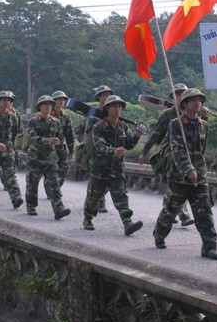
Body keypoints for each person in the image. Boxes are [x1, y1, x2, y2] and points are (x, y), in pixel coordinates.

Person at [152, 89, 217, 259]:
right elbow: (177, 150)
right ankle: (159, 235)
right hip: (179, 176)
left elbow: (200, 150)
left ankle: (209, 247)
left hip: (200, 176)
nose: (198, 103)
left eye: (200, 100)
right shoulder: (175, 124)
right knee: (170, 210)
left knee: (204, 212)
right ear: (185, 104)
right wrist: (188, 169)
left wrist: (197, 169)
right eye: (193, 100)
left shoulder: (204, 125)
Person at [83, 95, 144, 235]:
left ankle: (127, 223)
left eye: (120, 106)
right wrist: (113, 151)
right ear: (108, 108)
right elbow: (99, 145)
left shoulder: (123, 126)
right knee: (94, 197)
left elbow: (128, 144)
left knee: (121, 196)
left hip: (116, 169)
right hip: (100, 170)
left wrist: (137, 136)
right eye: (114, 106)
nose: (118, 109)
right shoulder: (99, 126)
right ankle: (87, 218)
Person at [138, 83, 195, 227]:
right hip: (170, 154)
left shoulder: (194, 114)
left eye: (183, 93)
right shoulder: (168, 115)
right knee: (178, 183)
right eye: (177, 94)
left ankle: (168, 211)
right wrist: (144, 152)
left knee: (176, 187)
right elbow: (155, 135)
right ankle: (184, 215)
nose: (181, 96)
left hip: (187, 155)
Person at [25, 95, 71, 219]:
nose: (48, 107)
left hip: (51, 159)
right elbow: (31, 138)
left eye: (50, 105)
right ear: (40, 106)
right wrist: (47, 141)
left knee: (54, 184)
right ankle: (31, 205)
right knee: (32, 184)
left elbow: (60, 141)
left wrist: (63, 157)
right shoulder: (33, 122)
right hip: (35, 159)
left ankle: (58, 208)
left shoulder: (56, 122)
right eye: (45, 104)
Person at [0, 91, 25, 209]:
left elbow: (16, 132)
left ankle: (16, 197)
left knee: (10, 174)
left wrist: (13, 146)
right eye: (4, 100)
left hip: (8, 151)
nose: (7, 102)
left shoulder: (13, 117)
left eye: (9, 100)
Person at [79, 84, 114, 213]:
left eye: (109, 95)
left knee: (109, 180)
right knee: (95, 181)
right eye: (105, 95)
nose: (107, 97)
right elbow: (89, 136)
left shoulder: (113, 114)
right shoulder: (93, 115)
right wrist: (89, 154)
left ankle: (98, 200)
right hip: (96, 152)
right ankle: (93, 205)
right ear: (98, 98)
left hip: (109, 152)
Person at [50, 90, 75, 189]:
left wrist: (71, 150)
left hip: (61, 147)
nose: (62, 102)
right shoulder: (48, 115)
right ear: (54, 101)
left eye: (63, 100)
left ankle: (56, 188)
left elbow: (69, 134)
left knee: (65, 167)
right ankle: (52, 189)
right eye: (59, 99)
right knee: (51, 170)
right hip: (49, 147)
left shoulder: (65, 116)